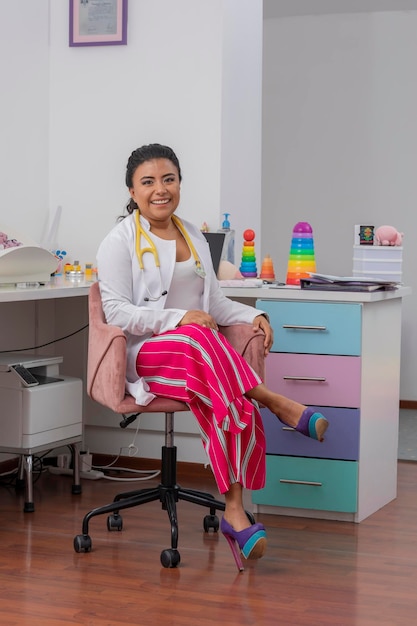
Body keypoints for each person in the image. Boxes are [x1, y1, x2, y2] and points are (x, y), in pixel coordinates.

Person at [97, 143, 329, 571]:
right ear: (132, 189)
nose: (160, 189)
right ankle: (273, 400)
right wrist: (179, 317)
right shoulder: (119, 241)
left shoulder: (193, 235)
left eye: (168, 179)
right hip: (147, 354)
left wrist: (255, 313)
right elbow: (117, 314)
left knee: (219, 382)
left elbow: (216, 305)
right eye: (148, 182)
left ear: (180, 183)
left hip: (197, 358)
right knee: (197, 339)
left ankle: (235, 510)